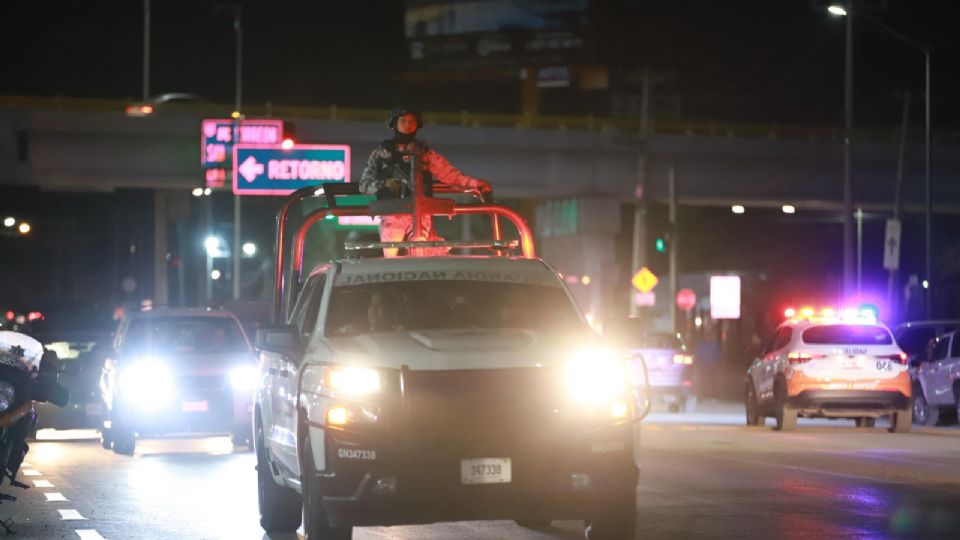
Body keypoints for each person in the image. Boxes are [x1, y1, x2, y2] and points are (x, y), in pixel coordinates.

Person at [359, 105, 492, 257]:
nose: (408, 124)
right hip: (392, 214)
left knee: (420, 256)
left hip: (420, 215)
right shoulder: (382, 153)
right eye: (403, 120)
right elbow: (364, 185)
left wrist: (476, 184)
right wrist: (384, 184)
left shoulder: (425, 154)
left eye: (412, 121)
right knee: (391, 259)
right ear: (394, 123)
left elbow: (451, 176)